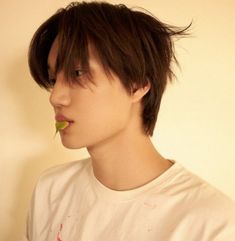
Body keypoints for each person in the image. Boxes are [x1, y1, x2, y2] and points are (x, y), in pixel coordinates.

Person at [25, 1, 235, 241]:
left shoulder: (213, 224)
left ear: (137, 84)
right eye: (54, 79)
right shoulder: (51, 190)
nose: (55, 97)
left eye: (77, 73)